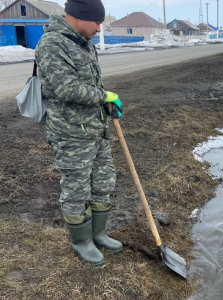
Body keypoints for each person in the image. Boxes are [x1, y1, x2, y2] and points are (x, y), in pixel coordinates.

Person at [35, 0, 123, 266]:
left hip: (96, 129)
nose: (99, 28)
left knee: (103, 182)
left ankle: (98, 233)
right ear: (78, 17)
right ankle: (82, 242)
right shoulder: (52, 44)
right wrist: (104, 95)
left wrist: (106, 104)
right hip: (71, 134)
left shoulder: (84, 43)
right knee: (76, 190)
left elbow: (92, 84)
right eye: (96, 22)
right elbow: (67, 89)